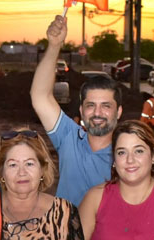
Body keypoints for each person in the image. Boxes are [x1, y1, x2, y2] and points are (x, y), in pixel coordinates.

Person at [31, 15, 123, 206]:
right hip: (66, 234)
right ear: (81, 110)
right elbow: (40, 96)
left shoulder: (127, 154)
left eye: (106, 106)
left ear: (119, 112)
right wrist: (55, 45)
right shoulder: (69, 138)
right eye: (91, 105)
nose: (97, 113)